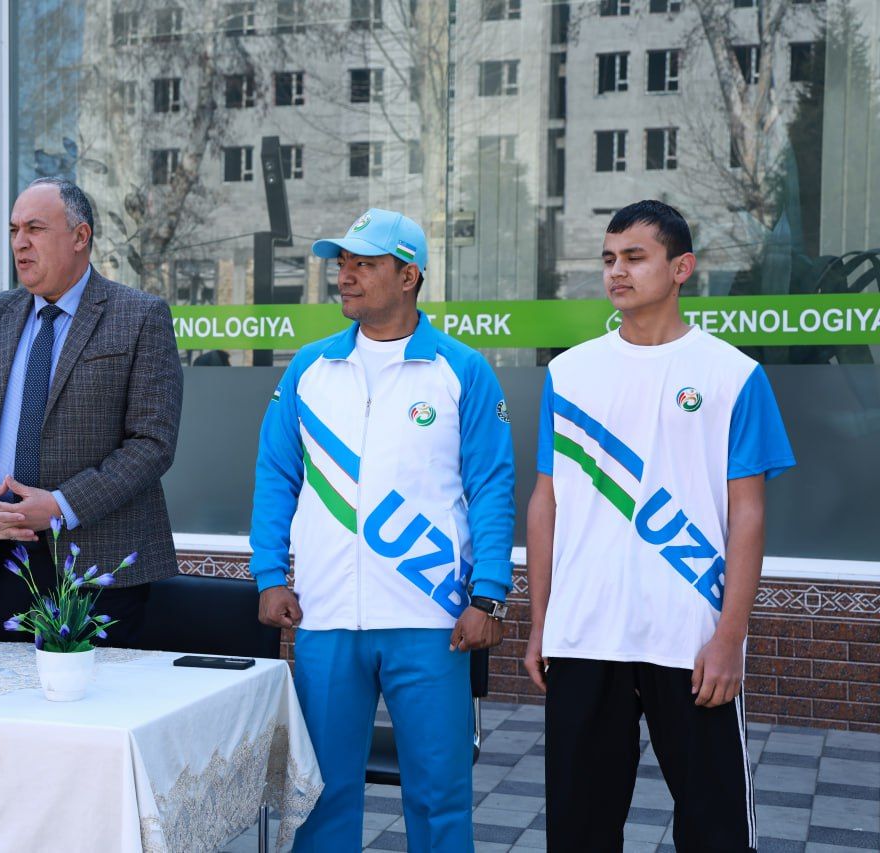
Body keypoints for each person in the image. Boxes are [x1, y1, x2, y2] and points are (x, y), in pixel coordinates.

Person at [525, 200, 796, 853]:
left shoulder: (733, 375)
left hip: (690, 637)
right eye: (608, 259)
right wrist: (540, 622)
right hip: (585, 633)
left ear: (682, 268)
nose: (616, 271)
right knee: (579, 832)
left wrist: (730, 636)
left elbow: (748, 513)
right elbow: (546, 501)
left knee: (715, 830)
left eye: (634, 257)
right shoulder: (569, 372)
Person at [250, 209, 515, 851]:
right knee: (320, 795)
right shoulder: (309, 369)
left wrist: (488, 595)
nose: (345, 275)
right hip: (326, 617)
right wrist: (268, 574)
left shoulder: (461, 369)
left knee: (439, 795)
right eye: (342, 263)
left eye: (364, 264)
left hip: (430, 619)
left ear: (408, 275)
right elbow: (276, 476)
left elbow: (491, 486)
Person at [0, 177, 183, 646]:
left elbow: (152, 443)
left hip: (99, 565)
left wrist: (61, 507)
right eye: (14, 230)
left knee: (93, 693)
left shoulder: (139, 316)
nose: (19, 243)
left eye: (35, 228)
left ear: (80, 236)